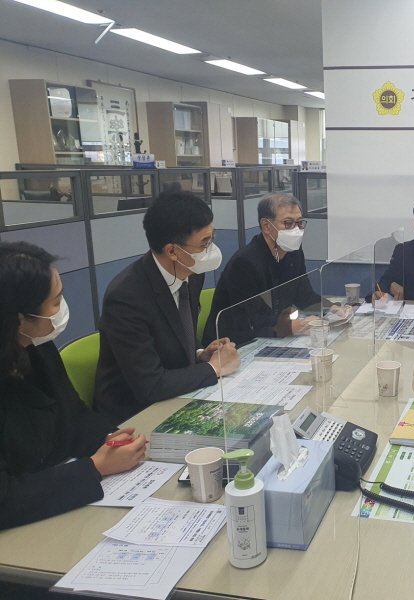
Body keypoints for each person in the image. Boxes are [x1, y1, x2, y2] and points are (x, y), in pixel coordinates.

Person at [0, 242, 146, 530]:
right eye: (55, 302)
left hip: (58, 504)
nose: (62, 309)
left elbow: (73, 412)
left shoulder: (35, 345)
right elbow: (5, 499)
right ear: (19, 319)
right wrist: (96, 467)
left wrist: (108, 438)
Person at [95, 190, 240, 425]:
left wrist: (200, 354)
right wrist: (213, 368)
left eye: (211, 239)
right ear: (172, 251)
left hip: (178, 393)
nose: (211, 249)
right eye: (204, 243)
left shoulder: (192, 272)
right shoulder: (126, 297)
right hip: (134, 413)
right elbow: (149, 385)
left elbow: (176, 330)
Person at [202, 193, 331, 346]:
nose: (296, 229)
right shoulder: (245, 262)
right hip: (233, 343)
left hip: (272, 335)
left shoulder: (293, 253)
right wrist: (293, 326)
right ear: (266, 226)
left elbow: (304, 294)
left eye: (300, 223)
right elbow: (252, 319)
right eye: (288, 223)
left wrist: (331, 310)